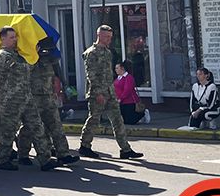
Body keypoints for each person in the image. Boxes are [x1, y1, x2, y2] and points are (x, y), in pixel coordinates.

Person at [0, 26, 60, 172]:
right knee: (9, 130)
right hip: (11, 99)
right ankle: (3, 159)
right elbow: (21, 69)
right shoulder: (3, 55)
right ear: (3, 39)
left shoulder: (17, 55)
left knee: (37, 126)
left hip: (26, 97)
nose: (15, 39)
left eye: (15, 37)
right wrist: (33, 56)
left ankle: (45, 159)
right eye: (11, 37)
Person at [78, 25, 143, 159]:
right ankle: (84, 146)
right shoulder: (91, 53)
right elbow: (91, 75)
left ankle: (125, 149)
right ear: (99, 36)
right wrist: (98, 93)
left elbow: (108, 74)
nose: (109, 40)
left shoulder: (108, 53)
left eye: (110, 37)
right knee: (94, 119)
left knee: (117, 120)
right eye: (107, 37)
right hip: (97, 93)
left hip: (110, 92)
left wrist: (112, 90)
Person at [17, 39, 78, 164]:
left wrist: (64, 88)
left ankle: (63, 153)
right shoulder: (26, 58)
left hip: (48, 96)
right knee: (30, 127)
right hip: (33, 97)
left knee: (56, 125)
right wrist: (33, 55)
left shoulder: (49, 58)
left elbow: (58, 73)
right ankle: (23, 154)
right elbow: (23, 74)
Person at [114, 60, 144, 125]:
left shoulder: (128, 77)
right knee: (124, 120)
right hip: (120, 101)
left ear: (122, 68)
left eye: (117, 68)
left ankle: (143, 113)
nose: (115, 70)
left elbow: (127, 90)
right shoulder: (118, 78)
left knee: (130, 121)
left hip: (129, 101)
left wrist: (121, 98)